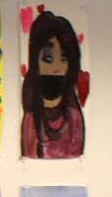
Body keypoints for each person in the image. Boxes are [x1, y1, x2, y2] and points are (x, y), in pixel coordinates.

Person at [21, 11, 84, 158]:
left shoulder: (74, 118)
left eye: (64, 58)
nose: (57, 67)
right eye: (47, 58)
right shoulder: (31, 121)